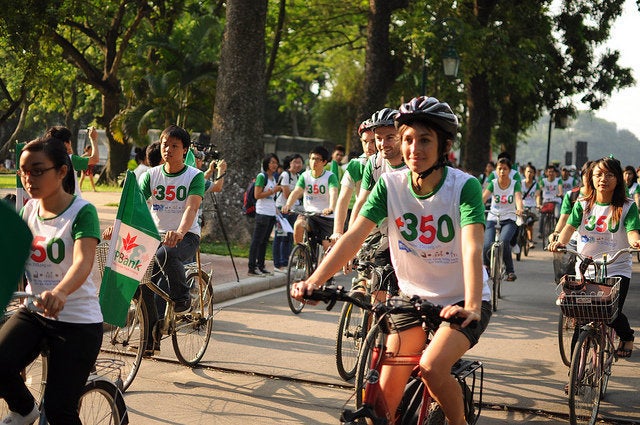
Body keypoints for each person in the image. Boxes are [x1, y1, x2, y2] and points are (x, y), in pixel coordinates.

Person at [292, 96, 491, 425]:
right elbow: (355, 236)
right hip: (411, 300)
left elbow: (472, 246)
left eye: (425, 140)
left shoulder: (463, 187)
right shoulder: (389, 184)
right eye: (409, 139)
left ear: (444, 145)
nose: (415, 149)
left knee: (431, 367)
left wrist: (471, 305)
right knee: (381, 407)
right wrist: (315, 282)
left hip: (461, 301)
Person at [0, 135, 102, 424]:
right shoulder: (28, 210)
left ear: (61, 171)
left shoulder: (82, 212)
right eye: (23, 171)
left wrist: (60, 292)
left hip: (77, 322)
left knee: (59, 411)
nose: (29, 178)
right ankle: (23, 409)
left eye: (37, 170)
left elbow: (83, 262)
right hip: (35, 313)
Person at [549, 156, 640, 359]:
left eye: (609, 175)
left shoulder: (627, 206)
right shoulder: (582, 204)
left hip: (616, 269)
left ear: (618, 179)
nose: (603, 179)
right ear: (591, 178)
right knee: (581, 320)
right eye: (599, 174)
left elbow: (633, 230)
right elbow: (569, 227)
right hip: (586, 268)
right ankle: (575, 373)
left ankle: (627, 336)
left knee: (610, 314)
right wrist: (560, 243)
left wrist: (635, 242)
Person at [282, 146, 338, 254]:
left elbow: (333, 192)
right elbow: (296, 191)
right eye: (312, 158)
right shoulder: (305, 176)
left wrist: (331, 207)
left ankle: (324, 269)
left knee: (328, 247)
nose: (314, 162)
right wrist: (288, 205)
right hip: (309, 214)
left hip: (326, 216)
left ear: (324, 162)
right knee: (298, 225)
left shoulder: (330, 177)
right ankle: (302, 254)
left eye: (318, 159)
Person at [331, 118, 376, 239]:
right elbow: (343, 199)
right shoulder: (356, 165)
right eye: (365, 141)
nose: (368, 146)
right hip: (362, 226)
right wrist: (338, 231)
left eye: (373, 141)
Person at [482, 157, 524, 281]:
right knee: (487, 244)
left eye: (505, 169)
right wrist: (478, 207)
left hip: (509, 218)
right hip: (493, 217)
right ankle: (486, 267)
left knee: (504, 241)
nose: (502, 171)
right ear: (496, 170)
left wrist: (519, 208)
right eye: (499, 169)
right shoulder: (493, 183)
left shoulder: (514, 184)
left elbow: (518, 198)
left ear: (509, 171)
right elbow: (483, 198)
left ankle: (510, 271)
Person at [248, 153, 282, 276]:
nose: (274, 165)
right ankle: (251, 267)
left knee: (264, 241)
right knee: (256, 241)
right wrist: (273, 190)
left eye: (276, 162)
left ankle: (261, 266)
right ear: (266, 163)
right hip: (262, 213)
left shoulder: (273, 178)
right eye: (271, 162)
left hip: (271, 213)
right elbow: (258, 195)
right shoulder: (262, 177)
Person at [45, 126, 99, 196]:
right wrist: (93, 139)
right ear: (65, 144)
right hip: (73, 201)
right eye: (69, 141)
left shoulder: (46, 160)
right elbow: (95, 159)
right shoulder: (70, 159)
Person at [273, 154, 304, 272]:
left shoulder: (299, 176)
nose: (297, 165)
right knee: (280, 236)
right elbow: (286, 194)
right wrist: (296, 192)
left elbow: (301, 193)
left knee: (290, 237)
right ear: (290, 163)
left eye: (299, 162)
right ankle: (278, 264)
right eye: (295, 162)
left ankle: (285, 262)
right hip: (282, 210)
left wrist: (295, 193)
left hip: (294, 210)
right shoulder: (285, 175)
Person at [538, 164, 563, 237]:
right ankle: (540, 232)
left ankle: (558, 231)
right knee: (542, 215)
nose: (551, 173)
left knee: (557, 215)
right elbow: (539, 190)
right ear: (546, 173)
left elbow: (560, 189)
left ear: (555, 173)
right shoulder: (543, 181)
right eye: (549, 172)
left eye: (552, 172)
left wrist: (560, 193)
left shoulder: (558, 180)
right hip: (546, 201)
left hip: (556, 201)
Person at [520, 164, 541, 249]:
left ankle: (530, 240)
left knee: (529, 224)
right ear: (524, 173)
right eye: (528, 171)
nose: (529, 173)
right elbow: (517, 195)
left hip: (531, 207)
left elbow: (537, 196)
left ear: (534, 174)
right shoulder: (520, 183)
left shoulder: (536, 185)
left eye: (531, 172)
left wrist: (538, 204)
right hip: (521, 206)